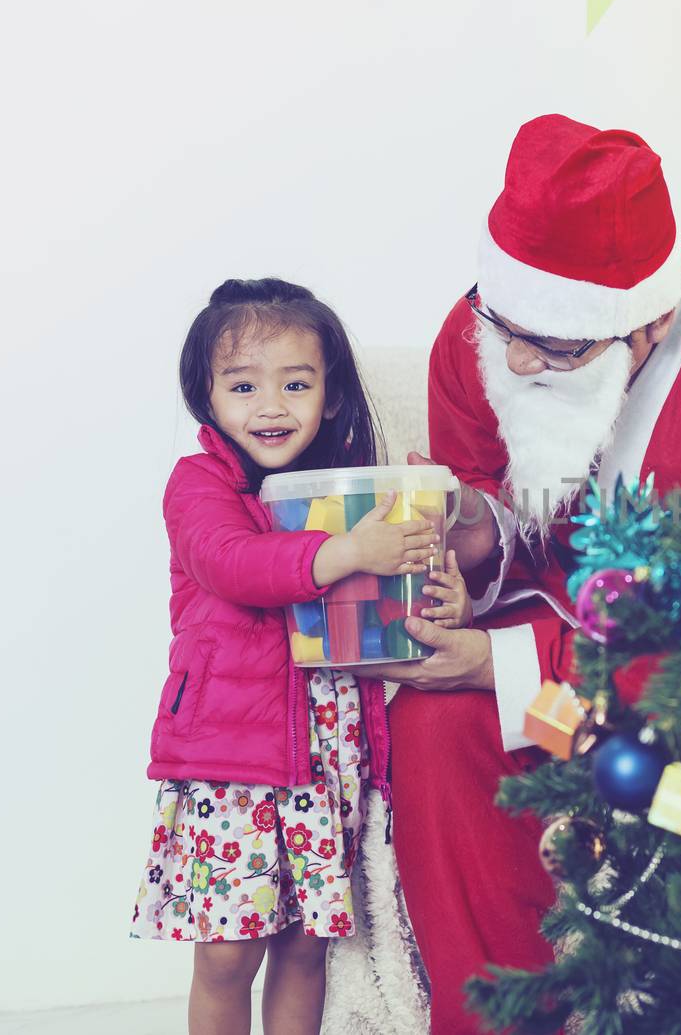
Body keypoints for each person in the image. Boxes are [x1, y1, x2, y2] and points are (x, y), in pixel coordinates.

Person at [353, 114, 681, 1033]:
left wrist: (500, 660)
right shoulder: (481, 332)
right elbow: (486, 489)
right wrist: (471, 531)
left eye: (558, 349)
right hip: (562, 695)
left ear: (643, 326)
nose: (518, 360)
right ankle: (496, 1016)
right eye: (506, 327)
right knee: (438, 726)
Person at [131, 278, 468, 1035]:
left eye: (296, 383)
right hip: (233, 759)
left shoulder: (346, 489)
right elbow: (235, 565)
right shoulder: (200, 484)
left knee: (306, 943)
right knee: (225, 953)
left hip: (325, 755)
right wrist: (351, 549)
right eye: (243, 385)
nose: (271, 405)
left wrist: (435, 573)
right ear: (206, 394)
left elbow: (389, 608)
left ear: (331, 393)